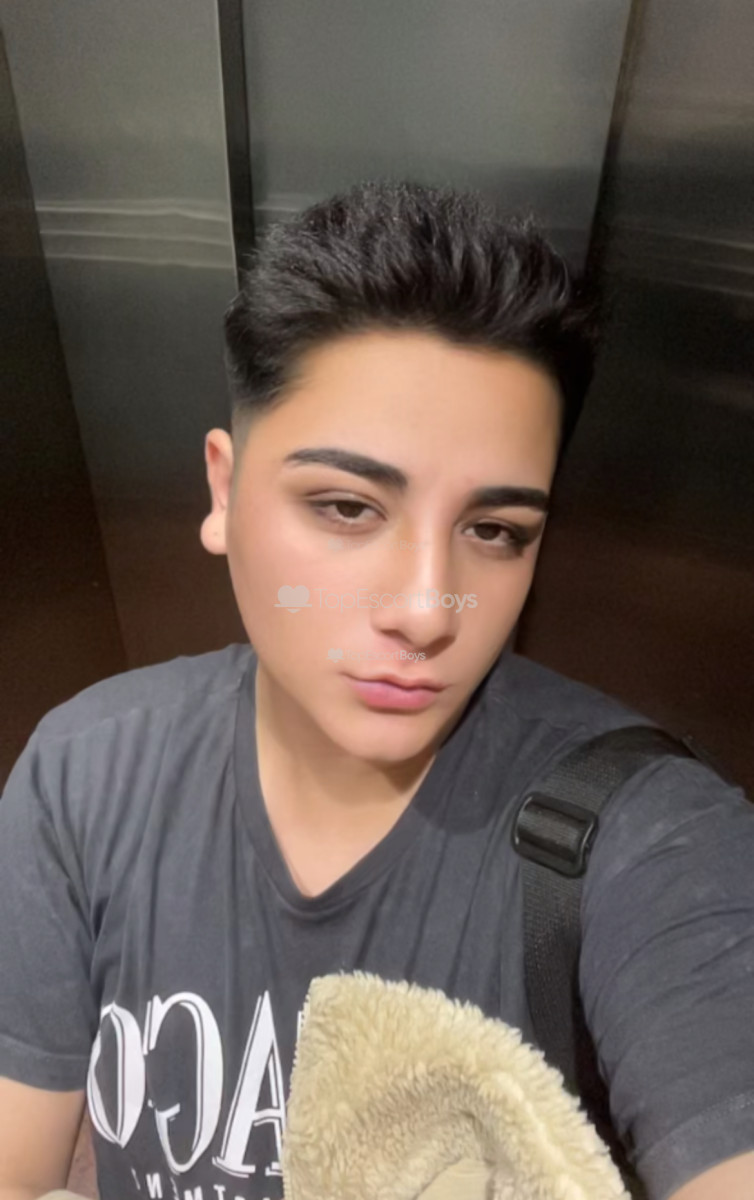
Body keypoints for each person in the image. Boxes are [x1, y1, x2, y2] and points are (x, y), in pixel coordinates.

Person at [0, 178, 752, 1200]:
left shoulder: (647, 835)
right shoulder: (87, 774)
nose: (428, 611)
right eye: (348, 507)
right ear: (224, 488)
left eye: (495, 530)